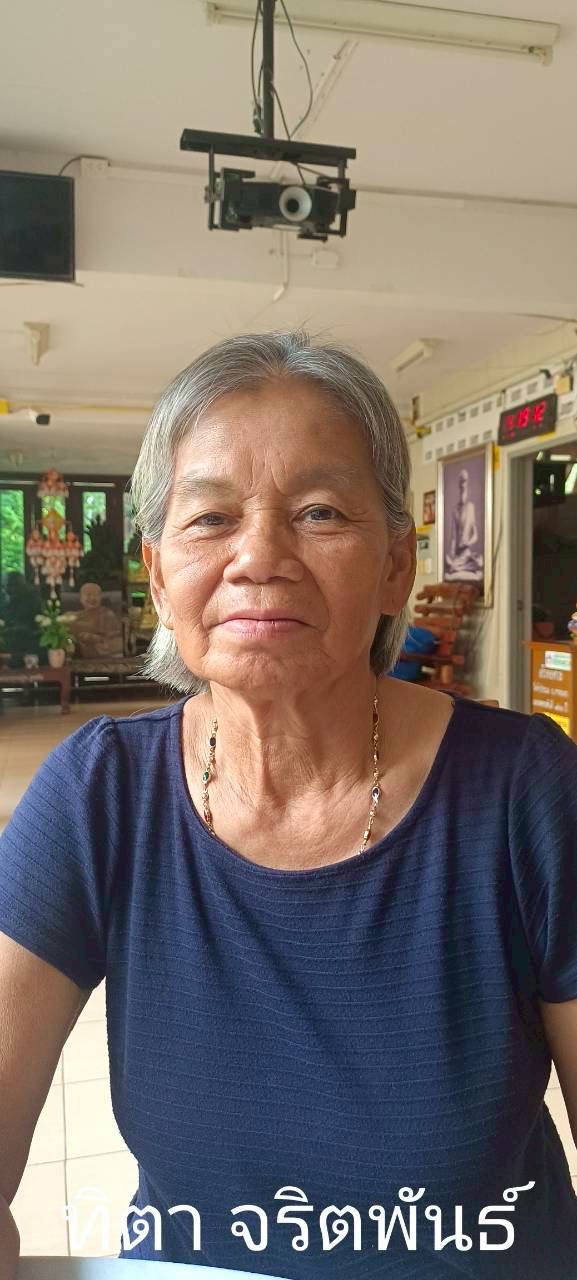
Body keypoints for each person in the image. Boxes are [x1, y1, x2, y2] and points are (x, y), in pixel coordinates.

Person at [0, 331, 576, 1280]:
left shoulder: (526, 791)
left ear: (394, 565)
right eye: (210, 518)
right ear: (158, 575)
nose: (259, 557)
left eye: (318, 513)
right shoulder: (101, 794)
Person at [444, 468, 483, 580]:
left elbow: (475, 535)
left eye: (464, 480)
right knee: (450, 565)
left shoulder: (471, 507)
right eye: (461, 481)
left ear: (467, 482)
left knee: (478, 563)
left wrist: (467, 542)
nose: (463, 484)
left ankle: (460, 569)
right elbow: (453, 537)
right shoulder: (455, 510)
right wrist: (452, 553)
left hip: (467, 553)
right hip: (458, 555)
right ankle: (457, 568)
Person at [71, 580, 123, 658]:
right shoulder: (73, 615)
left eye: (96, 595)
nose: (92, 598)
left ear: (100, 598)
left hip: (100, 655)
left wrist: (90, 637)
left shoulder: (107, 614)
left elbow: (111, 638)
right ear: (81, 599)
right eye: (88, 595)